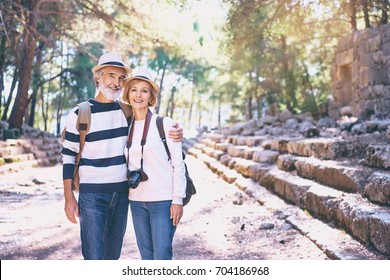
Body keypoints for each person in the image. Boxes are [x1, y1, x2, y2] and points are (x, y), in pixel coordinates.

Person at [61, 52, 183, 260]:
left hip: (121, 195)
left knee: (112, 256)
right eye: (111, 76)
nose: (116, 83)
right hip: (92, 196)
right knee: (93, 256)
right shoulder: (79, 113)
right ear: (98, 77)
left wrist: (178, 131)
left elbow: (151, 124)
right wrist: (68, 197)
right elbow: (68, 156)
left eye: (120, 78)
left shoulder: (126, 112)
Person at [121, 68, 186, 260]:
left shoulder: (165, 124)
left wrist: (177, 200)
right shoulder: (125, 126)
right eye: (133, 90)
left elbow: (178, 164)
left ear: (151, 96)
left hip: (163, 200)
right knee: (146, 256)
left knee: (162, 255)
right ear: (128, 94)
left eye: (144, 90)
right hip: (136, 200)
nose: (138, 95)